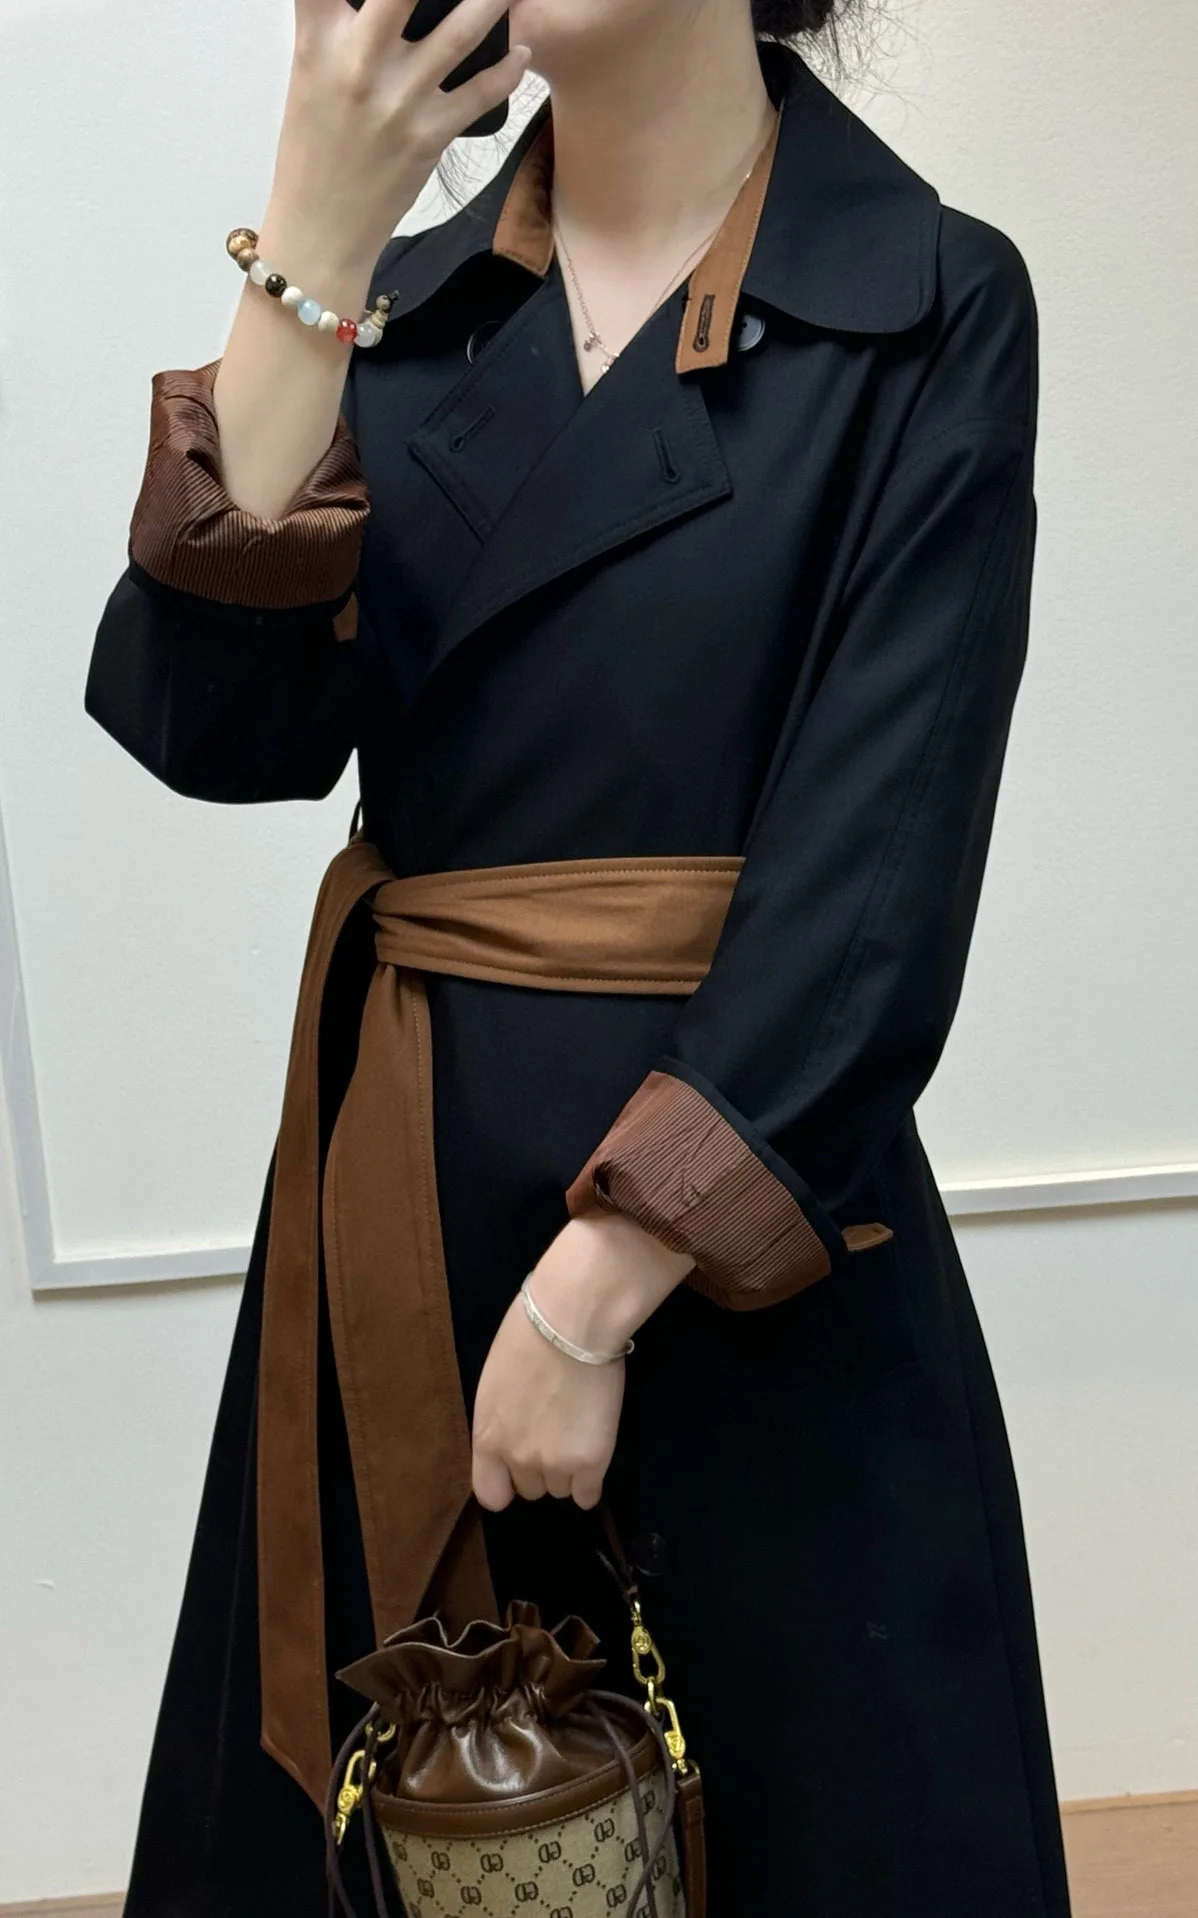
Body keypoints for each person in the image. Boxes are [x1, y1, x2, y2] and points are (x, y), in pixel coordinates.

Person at [85, 0, 1073, 1912]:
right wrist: (316, 233)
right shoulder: (405, 302)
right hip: (399, 1229)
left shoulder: (926, 298)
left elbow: (877, 869)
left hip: (746, 1226)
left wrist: (593, 1296)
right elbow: (212, 727)